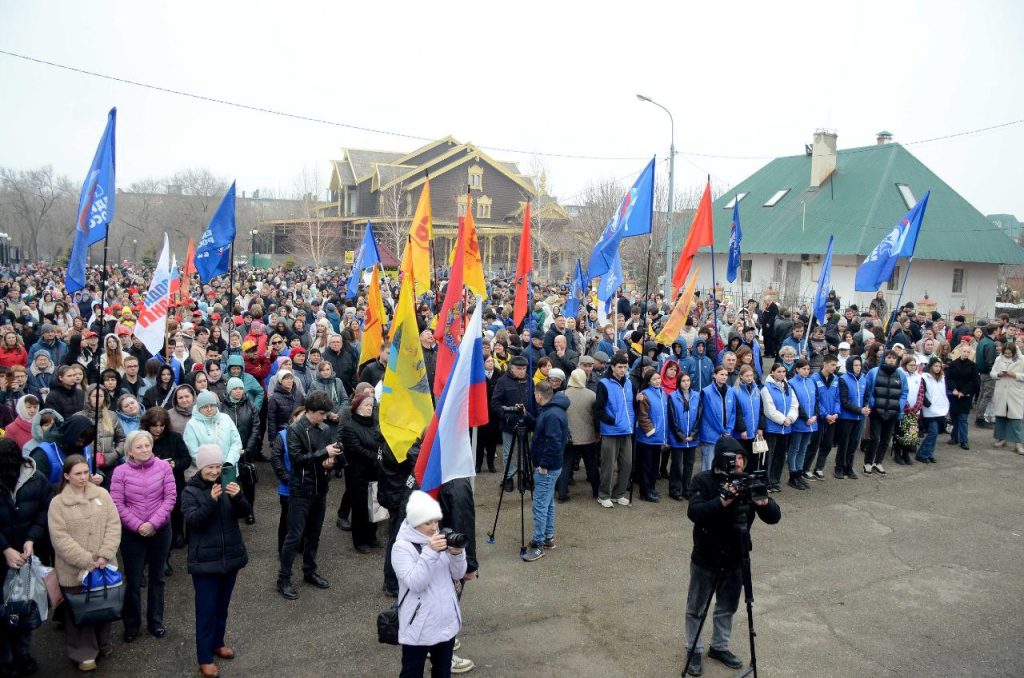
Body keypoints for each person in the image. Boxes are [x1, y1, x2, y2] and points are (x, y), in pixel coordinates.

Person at [682, 437, 781, 677]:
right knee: (696, 607)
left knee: (727, 606)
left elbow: (774, 516)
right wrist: (722, 501)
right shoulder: (703, 480)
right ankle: (693, 649)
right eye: (733, 458)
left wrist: (764, 502)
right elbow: (695, 512)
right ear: (721, 459)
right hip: (707, 556)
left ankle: (720, 646)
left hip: (737, 556)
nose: (738, 463)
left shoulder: (749, 481)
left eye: (741, 458)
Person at [181, 444, 251, 678]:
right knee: (206, 610)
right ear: (201, 467)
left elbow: (245, 513)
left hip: (230, 556)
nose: (214, 471)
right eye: (210, 466)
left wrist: (238, 496)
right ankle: (204, 658)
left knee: (222, 606)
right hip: (205, 561)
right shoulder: (190, 491)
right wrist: (210, 501)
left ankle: (218, 643)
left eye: (218, 466)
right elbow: (194, 522)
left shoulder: (227, 484)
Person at [47, 454, 122, 672]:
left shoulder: (102, 494)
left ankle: (103, 643)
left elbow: (113, 525)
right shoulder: (57, 503)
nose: (82, 477)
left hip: (104, 565)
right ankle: (84, 653)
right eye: (77, 473)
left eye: (85, 472)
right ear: (66, 476)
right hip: (74, 570)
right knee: (79, 612)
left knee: (103, 605)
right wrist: (86, 560)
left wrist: (105, 554)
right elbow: (59, 539)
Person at [110, 430, 176, 643]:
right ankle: (131, 624)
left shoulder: (164, 467)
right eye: (139, 447)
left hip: (160, 530)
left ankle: (155, 621)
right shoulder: (120, 472)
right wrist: (139, 526)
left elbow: (170, 498)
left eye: (147, 445)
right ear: (129, 450)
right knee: (134, 580)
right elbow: (117, 503)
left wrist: (153, 523)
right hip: (132, 534)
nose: (145, 450)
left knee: (157, 578)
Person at [392, 490, 467, 678]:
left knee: (442, 673)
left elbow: (458, 574)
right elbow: (416, 583)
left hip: (445, 621)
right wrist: (430, 552)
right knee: (412, 672)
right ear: (415, 522)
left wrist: (457, 554)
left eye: (436, 521)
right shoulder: (402, 547)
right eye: (428, 522)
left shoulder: (440, 539)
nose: (434, 527)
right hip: (419, 625)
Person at [277, 392, 343, 600]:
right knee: (294, 537)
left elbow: (334, 457)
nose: (324, 418)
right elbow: (297, 459)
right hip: (300, 491)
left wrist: (332, 462)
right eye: (322, 414)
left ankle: (309, 571)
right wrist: (324, 453)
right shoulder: (294, 430)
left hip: (320, 489)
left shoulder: (324, 429)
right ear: (310, 411)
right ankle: (283, 578)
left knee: (314, 534)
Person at [0, 438, 48, 677]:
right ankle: (5, 659)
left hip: (25, 553)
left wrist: (31, 539)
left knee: (24, 606)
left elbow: (44, 510)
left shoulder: (36, 480)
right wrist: (5, 548)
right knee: (3, 610)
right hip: (4, 553)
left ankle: (23, 653)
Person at [523, 381, 569, 562]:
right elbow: (542, 430)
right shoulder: (552, 410)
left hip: (547, 468)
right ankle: (547, 538)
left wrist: (543, 464)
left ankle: (538, 544)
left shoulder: (551, 414)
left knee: (540, 505)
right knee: (548, 502)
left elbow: (553, 442)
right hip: (552, 465)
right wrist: (527, 417)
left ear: (539, 395)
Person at [340, 390, 381, 554]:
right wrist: (377, 456)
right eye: (366, 405)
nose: (369, 408)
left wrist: (379, 454)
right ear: (357, 407)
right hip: (357, 473)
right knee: (360, 507)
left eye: (371, 405)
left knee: (374, 504)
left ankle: (372, 536)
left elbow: (380, 443)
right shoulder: (350, 427)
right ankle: (360, 540)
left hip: (373, 471)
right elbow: (356, 449)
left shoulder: (374, 423)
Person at [593, 353, 634, 508]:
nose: (623, 370)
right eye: (620, 367)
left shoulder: (629, 384)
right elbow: (598, 409)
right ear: (612, 367)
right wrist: (613, 420)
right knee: (608, 465)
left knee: (627, 464)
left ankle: (618, 494)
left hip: (627, 430)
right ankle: (603, 495)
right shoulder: (604, 383)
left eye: (625, 367)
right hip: (611, 431)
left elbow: (630, 405)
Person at [490, 356, 534, 492]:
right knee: (508, 452)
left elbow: (533, 400)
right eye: (519, 369)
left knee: (524, 451)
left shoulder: (529, 380)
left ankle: (523, 476)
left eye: (524, 369)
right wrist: (506, 417)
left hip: (525, 422)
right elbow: (495, 403)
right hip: (508, 423)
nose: (522, 371)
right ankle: (508, 477)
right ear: (512, 368)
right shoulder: (502, 381)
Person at [863, 351, 908, 474]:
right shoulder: (874, 372)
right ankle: (868, 462)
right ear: (884, 359)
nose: (891, 360)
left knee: (886, 439)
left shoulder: (901, 374)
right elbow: (867, 390)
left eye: (894, 358)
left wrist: (900, 405)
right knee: (875, 438)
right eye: (889, 357)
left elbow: (904, 392)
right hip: (877, 411)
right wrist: (872, 403)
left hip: (893, 411)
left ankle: (878, 462)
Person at [557, 368, 599, 502]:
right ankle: (597, 492)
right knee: (591, 465)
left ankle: (562, 494)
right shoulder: (592, 395)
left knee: (565, 466)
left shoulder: (562, 394)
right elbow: (596, 417)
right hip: (588, 437)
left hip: (569, 438)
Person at [760, 362, 797, 493]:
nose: (782, 374)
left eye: (783, 372)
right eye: (779, 372)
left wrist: (791, 418)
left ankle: (775, 481)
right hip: (772, 429)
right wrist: (783, 420)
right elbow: (769, 410)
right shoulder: (766, 388)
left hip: (786, 429)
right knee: (769, 457)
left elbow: (794, 405)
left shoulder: (788, 387)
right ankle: (766, 482)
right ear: (773, 372)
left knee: (780, 457)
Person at [699, 366, 743, 474]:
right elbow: (710, 415)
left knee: (724, 465)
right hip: (711, 435)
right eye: (721, 374)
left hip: (726, 435)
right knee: (709, 465)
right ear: (714, 375)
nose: (724, 377)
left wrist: (729, 429)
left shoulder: (731, 391)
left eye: (726, 375)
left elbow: (733, 411)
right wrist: (723, 431)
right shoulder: (706, 392)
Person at [803, 355, 840, 480]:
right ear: (825, 363)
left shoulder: (836, 379)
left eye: (836, 365)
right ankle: (805, 468)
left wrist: (836, 413)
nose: (834, 368)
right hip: (819, 418)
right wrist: (825, 415)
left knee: (828, 444)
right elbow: (815, 400)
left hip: (832, 419)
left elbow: (837, 398)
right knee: (814, 445)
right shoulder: (814, 378)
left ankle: (819, 468)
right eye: (832, 365)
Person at [634, 368, 668, 503]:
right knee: (646, 466)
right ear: (648, 381)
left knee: (654, 465)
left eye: (659, 378)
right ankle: (645, 491)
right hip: (648, 438)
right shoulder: (645, 395)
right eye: (654, 379)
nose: (657, 381)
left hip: (658, 437)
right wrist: (651, 431)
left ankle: (651, 488)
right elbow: (643, 417)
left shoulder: (662, 393)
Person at [835, 356, 870, 479]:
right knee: (844, 443)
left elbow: (866, 396)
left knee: (854, 443)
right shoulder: (843, 379)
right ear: (850, 365)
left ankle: (848, 467)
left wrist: (866, 407)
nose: (858, 367)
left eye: (859, 365)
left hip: (859, 418)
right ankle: (839, 468)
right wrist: (859, 410)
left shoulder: (864, 379)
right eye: (855, 365)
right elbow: (844, 401)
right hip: (847, 417)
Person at [990, 342, 1024, 454]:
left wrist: (1016, 375)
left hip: (1016, 392)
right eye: (1005, 353)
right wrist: (998, 374)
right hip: (1001, 392)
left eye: (1009, 353)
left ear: (1014, 352)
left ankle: (1018, 444)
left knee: (1016, 419)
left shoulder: (1022, 359)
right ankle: (1001, 439)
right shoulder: (998, 359)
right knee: (1001, 416)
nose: (1007, 355)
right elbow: (992, 373)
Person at [945, 339, 979, 450]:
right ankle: (954, 437)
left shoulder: (973, 366)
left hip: (966, 396)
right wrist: (954, 389)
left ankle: (964, 440)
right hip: (954, 395)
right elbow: (948, 378)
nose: (965, 354)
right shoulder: (953, 364)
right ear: (960, 352)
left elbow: (974, 382)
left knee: (963, 419)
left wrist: (963, 392)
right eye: (964, 351)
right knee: (954, 417)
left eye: (968, 352)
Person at [916, 358, 949, 463]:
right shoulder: (924, 377)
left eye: (939, 366)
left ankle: (929, 453)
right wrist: (927, 403)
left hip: (940, 409)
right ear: (930, 366)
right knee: (933, 432)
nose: (938, 368)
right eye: (935, 366)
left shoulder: (942, 378)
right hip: (929, 410)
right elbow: (921, 392)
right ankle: (921, 453)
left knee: (935, 433)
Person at [975, 323, 998, 428]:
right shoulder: (990, 344)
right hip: (988, 373)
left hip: (982, 372)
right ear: (994, 331)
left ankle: (978, 416)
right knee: (986, 396)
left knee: (982, 395)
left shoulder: (982, 341)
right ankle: (980, 418)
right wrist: (992, 371)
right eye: (998, 330)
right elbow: (990, 361)